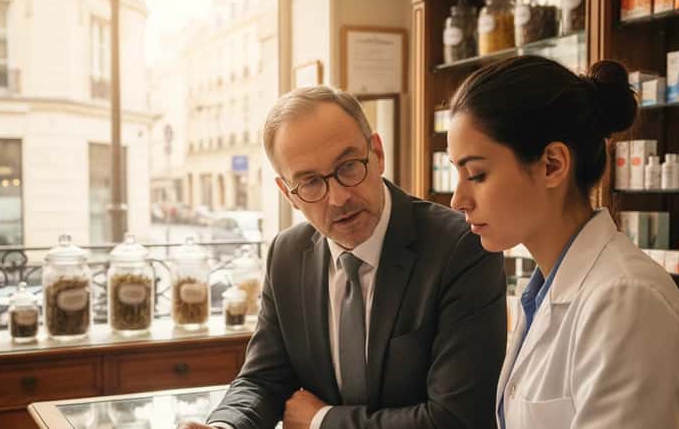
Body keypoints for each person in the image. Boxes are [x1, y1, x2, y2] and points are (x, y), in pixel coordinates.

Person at [181, 86, 507, 429]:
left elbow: (457, 418)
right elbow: (263, 378)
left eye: (349, 167)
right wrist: (226, 425)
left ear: (377, 154)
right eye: (309, 183)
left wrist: (322, 421)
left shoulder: (461, 246)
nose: (338, 198)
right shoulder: (287, 255)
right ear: (288, 194)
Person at [446, 55, 679, 429]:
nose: (458, 200)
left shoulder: (627, 300)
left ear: (552, 164)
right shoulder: (541, 292)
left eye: (477, 174)